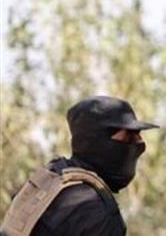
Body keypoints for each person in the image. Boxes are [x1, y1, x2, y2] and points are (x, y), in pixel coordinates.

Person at [1, 96, 157, 236]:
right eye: (129, 135)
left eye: (139, 134)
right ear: (97, 141)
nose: (140, 143)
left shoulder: (50, 180)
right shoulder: (96, 211)